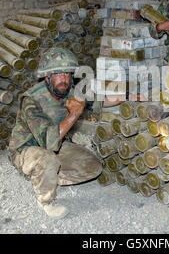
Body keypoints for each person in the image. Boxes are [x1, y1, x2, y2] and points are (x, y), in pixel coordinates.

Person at [7, 47, 118, 219]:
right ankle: (46, 200)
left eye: (67, 74)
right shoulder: (31, 100)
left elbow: (101, 100)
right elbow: (48, 141)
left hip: (56, 144)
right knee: (46, 159)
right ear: (47, 77)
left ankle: (47, 176)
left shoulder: (69, 90)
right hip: (27, 149)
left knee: (93, 165)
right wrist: (74, 114)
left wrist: (134, 96)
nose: (64, 80)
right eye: (58, 74)